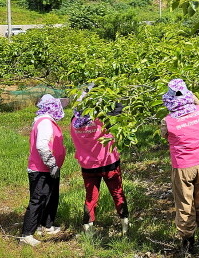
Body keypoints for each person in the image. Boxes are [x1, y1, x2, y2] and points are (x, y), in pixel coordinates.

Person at [160, 79, 199, 253]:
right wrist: (193, 98)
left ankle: (188, 243)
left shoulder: (167, 122)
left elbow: (165, 136)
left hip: (183, 167)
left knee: (185, 204)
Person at [70, 95, 129, 235]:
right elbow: (119, 109)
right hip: (109, 162)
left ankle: (88, 230)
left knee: (91, 197)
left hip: (88, 165)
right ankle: (125, 228)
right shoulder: (101, 118)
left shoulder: (74, 121)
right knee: (117, 193)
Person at [20, 94, 66, 246]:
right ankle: (27, 235)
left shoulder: (47, 121)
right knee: (38, 200)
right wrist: (52, 164)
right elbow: (41, 145)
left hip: (48, 168)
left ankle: (47, 225)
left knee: (50, 197)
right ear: (52, 107)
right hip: (41, 169)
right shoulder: (45, 122)